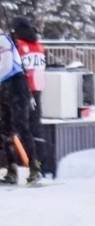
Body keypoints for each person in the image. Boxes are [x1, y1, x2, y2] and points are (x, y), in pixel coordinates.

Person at [0, 27, 36, 185]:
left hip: (15, 84)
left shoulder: (2, 39)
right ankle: (11, 168)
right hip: (4, 86)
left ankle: (34, 166)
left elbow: (7, 67)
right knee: (4, 129)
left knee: (21, 126)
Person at [12, 17, 44, 181]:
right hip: (37, 89)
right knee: (34, 128)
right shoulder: (38, 46)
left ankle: (19, 166)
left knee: (18, 128)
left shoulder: (18, 46)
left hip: (22, 90)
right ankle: (38, 165)